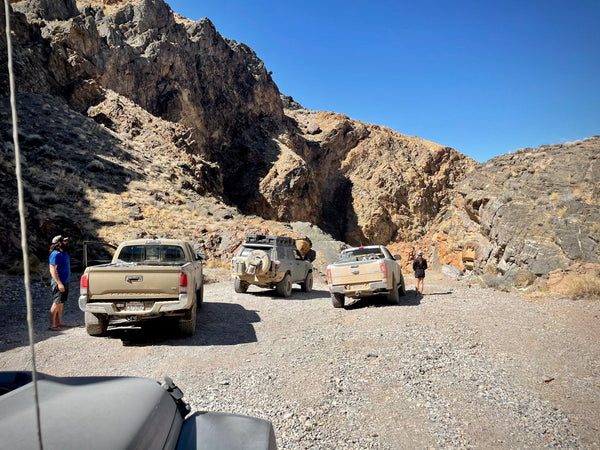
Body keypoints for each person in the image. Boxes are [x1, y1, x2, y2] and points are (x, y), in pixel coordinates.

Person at [49, 235, 71, 330]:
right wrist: (59, 283)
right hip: (59, 282)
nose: (66, 243)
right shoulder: (55, 254)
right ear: (59, 243)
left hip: (65, 281)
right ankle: (52, 324)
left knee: (61, 302)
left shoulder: (64, 253)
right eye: (64, 241)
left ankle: (59, 322)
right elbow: (52, 270)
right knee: (56, 302)